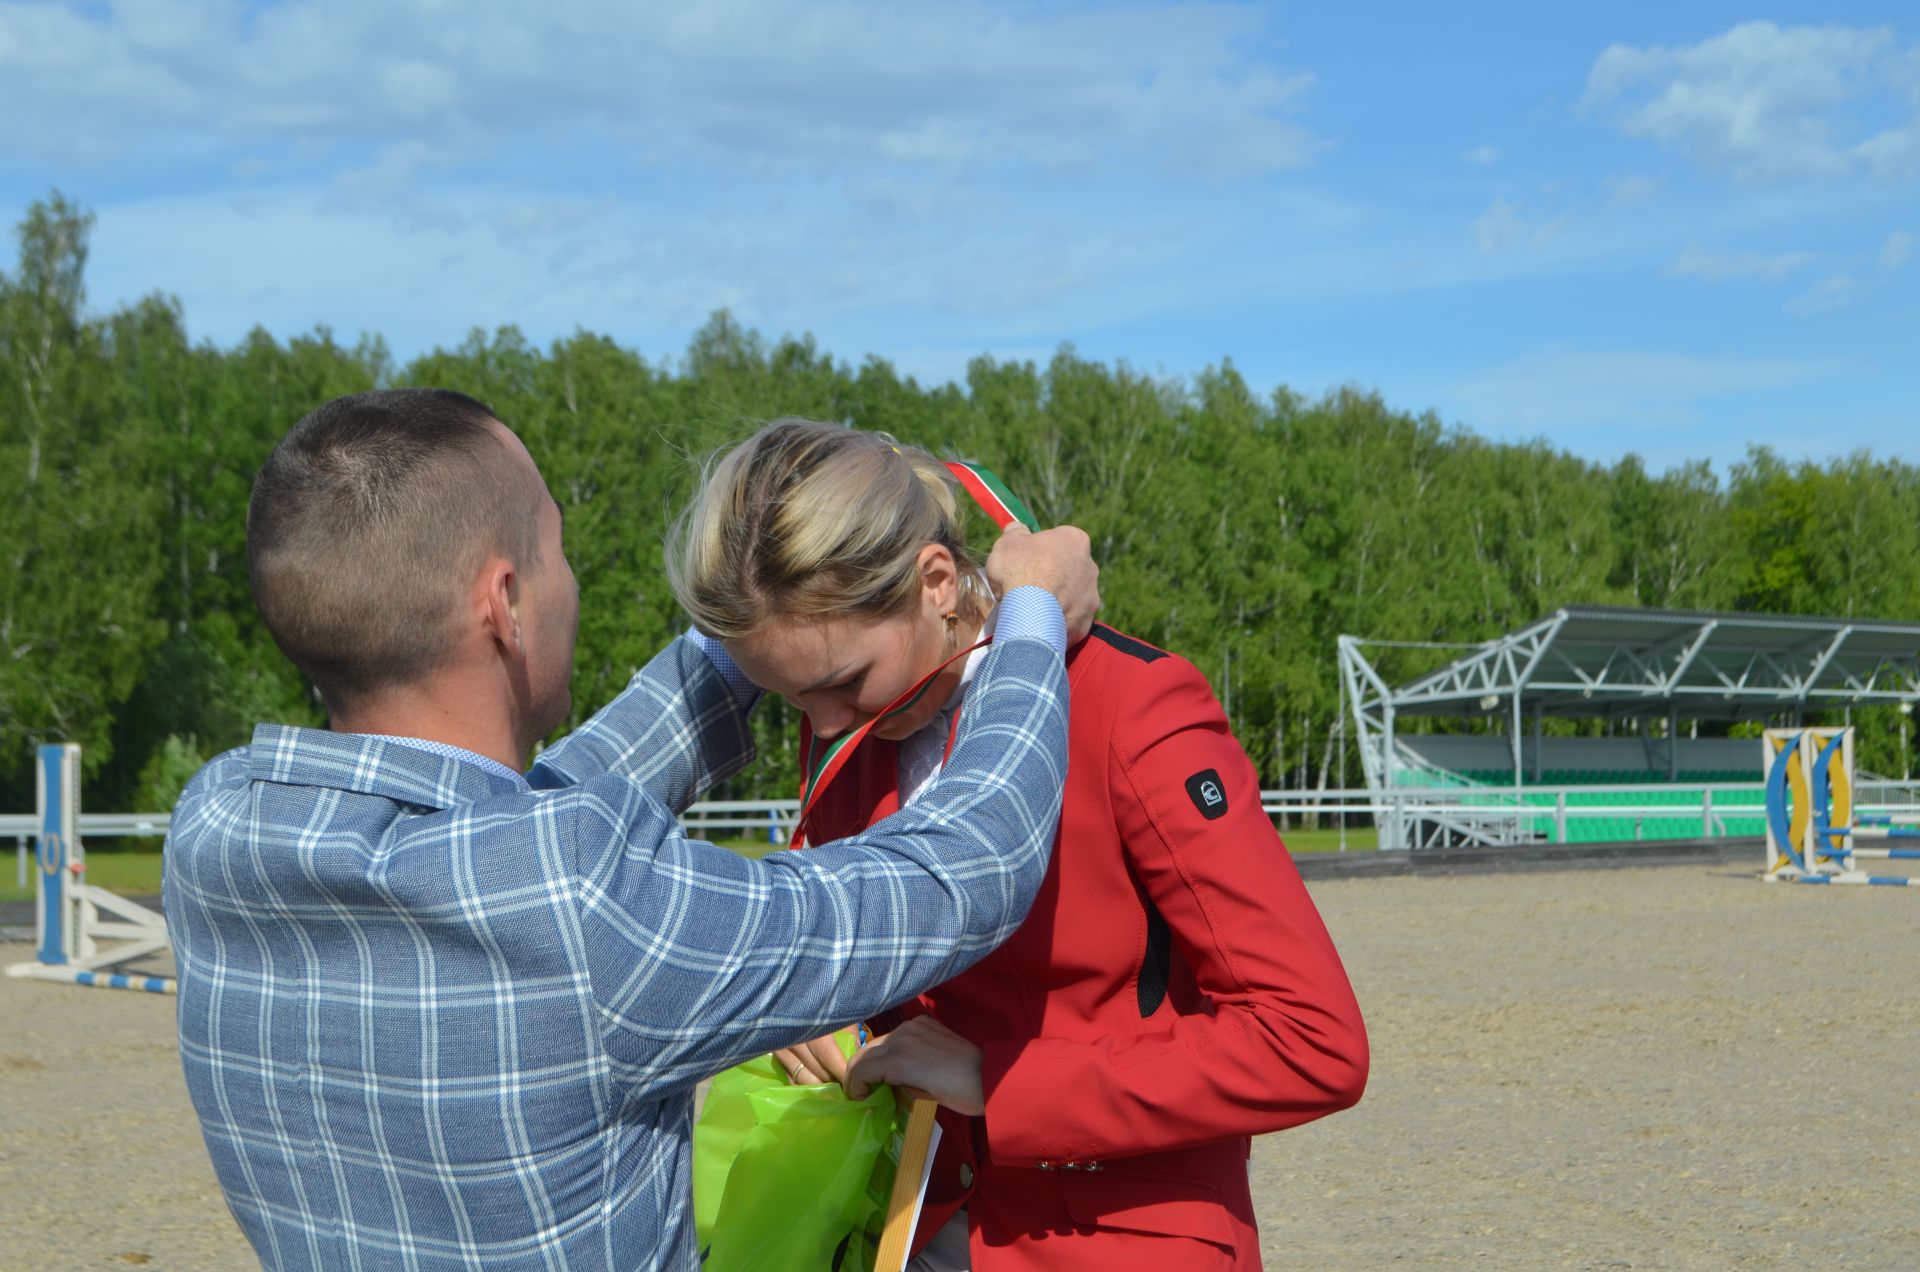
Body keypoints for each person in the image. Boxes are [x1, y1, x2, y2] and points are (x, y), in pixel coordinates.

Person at [162, 388, 1100, 1270]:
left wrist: (772, 597)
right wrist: (1028, 617)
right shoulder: (577, 899)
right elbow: (963, 871)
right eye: (556, 551)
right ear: (506, 604)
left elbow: (522, 809)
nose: (569, 579)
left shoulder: (215, 831)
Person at [669, 419, 1369, 1271]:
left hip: (1120, 1239)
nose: (822, 728)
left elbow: (1311, 1043)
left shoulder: (1130, 709)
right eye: (791, 700)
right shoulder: (853, 722)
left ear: (935, 581)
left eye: (843, 684)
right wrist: (815, 1018)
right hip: (911, 1224)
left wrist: (1002, 1083)